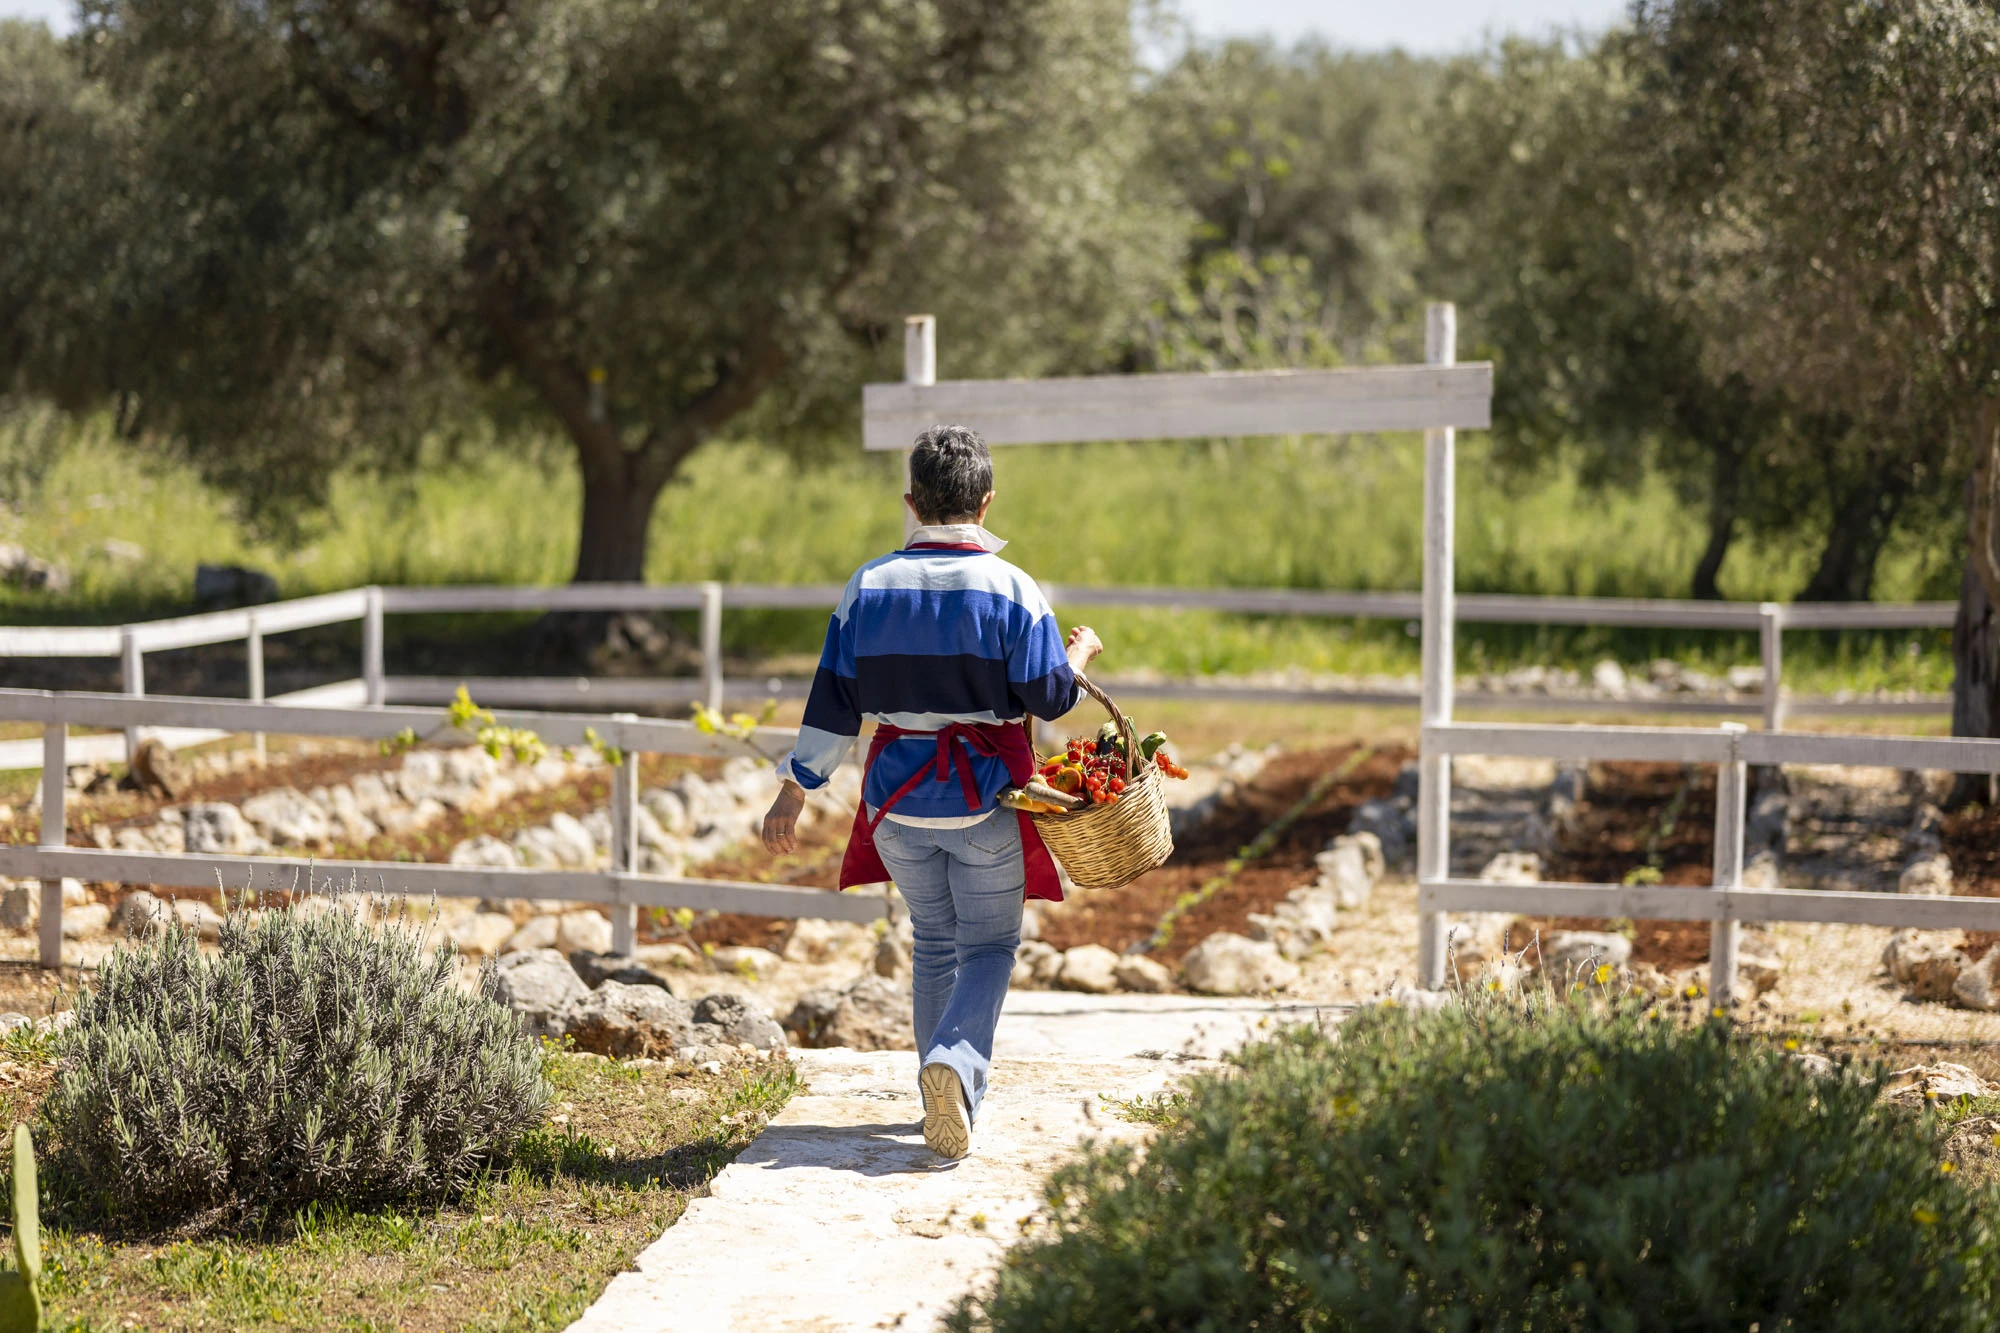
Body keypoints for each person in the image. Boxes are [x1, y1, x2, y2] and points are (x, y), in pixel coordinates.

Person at [760, 423, 1101, 1160]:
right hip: (983, 799)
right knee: (990, 946)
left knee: (934, 943)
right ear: (986, 502)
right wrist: (1078, 654)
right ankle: (954, 1064)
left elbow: (834, 700)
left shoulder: (869, 584)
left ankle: (938, 1086)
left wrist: (795, 788)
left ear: (911, 502)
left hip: (894, 804)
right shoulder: (1013, 588)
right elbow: (1049, 697)